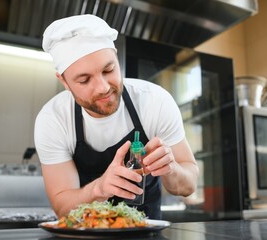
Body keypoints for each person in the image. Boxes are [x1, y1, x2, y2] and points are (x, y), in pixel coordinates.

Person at [34, 14, 199, 220]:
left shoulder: (154, 102)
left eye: (109, 69)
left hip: (145, 232)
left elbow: (188, 185)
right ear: (64, 82)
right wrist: (99, 189)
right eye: (84, 80)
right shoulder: (53, 120)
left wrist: (171, 169)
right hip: (85, 233)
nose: (103, 88)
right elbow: (62, 208)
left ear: (116, 57)